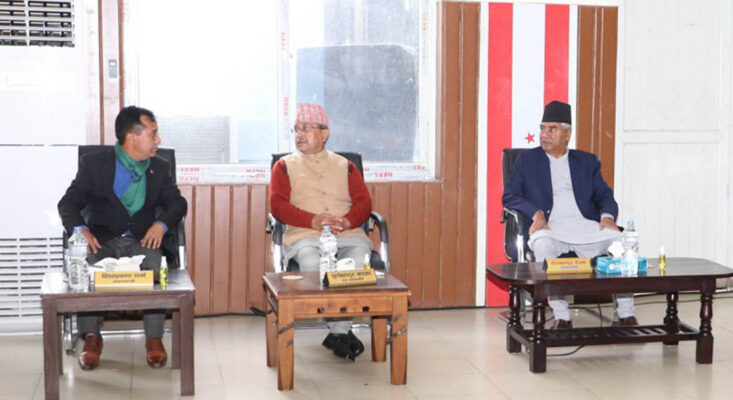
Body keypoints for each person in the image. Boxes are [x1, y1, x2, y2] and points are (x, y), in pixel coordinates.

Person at [58, 106, 188, 370]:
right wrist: (81, 230)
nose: (158, 140)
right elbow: (68, 204)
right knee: (86, 266)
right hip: (102, 240)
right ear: (132, 137)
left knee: (155, 264)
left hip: (142, 241)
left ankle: (154, 338)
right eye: (153, 134)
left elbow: (178, 203)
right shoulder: (95, 165)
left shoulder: (159, 167)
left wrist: (161, 224)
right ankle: (92, 337)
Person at [502, 100, 637, 329]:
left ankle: (626, 314)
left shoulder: (586, 161)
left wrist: (607, 216)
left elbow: (605, 195)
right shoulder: (527, 160)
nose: (544, 134)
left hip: (585, 226)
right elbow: (510, 195)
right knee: (542, 245)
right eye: (542, 128)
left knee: (621, 242)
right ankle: (562, 316)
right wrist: (535, 213)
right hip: (550, 227)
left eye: (552, 129)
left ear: (567, 134)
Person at [269, 103, 372, 361]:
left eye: (306, 128)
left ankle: (337, 333)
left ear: (325, 133)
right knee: (312, 262)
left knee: (355, 263)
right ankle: (340, 332)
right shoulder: (284, 166)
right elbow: (277, 205)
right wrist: (312, 220)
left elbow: (364, 203)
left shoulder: (346, 166)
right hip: (305, 235)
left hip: (346, 234)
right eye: (296, 129)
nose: (299, 134)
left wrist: (347, 222)